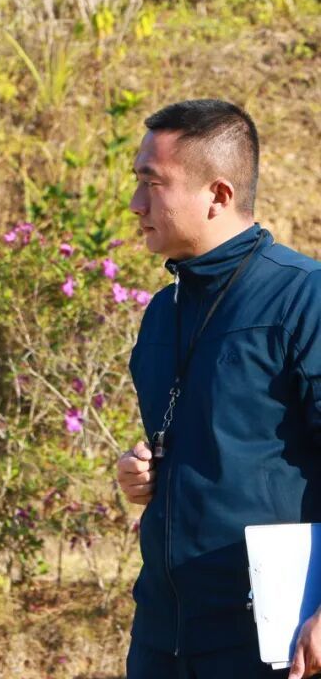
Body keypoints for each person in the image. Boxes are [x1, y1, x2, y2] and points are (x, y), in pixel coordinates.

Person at [115, 99, 320, 678]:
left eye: (153, 183)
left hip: (276, 640)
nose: (135, 204)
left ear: (219, 195)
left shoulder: (303, 299)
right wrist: (146, 472)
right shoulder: (163, 311)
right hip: (163, 636)